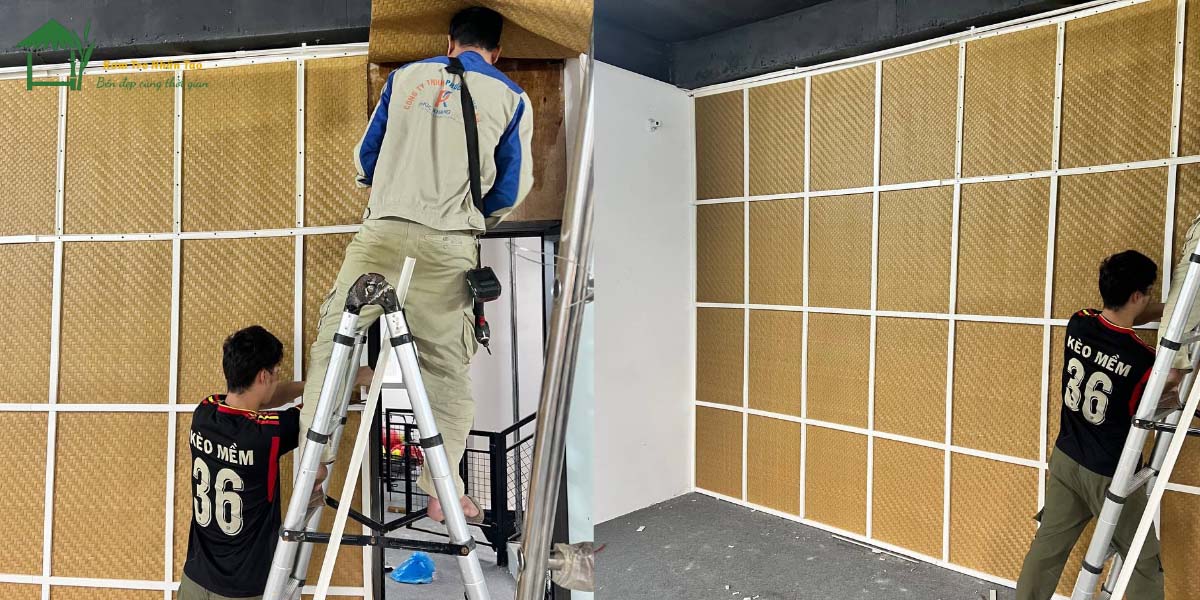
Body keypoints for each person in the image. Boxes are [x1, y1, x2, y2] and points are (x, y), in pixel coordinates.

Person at [302, 5, 534, 523]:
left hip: (382, 234)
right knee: (446, 371)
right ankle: (440, 491)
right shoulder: (512, 97)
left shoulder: (404, 78)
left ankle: (313, 465)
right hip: (450, 246)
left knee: (335, 341)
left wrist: (389, 190)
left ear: (450, 43)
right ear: (496, 52)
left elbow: (366, 158)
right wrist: (473, 216)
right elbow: (511, 189)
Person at [1015, 251, 1169, 600]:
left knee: (1047, 548)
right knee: (1143, 560)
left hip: (1067, 459)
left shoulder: (1079, 322)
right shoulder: (1143, 360)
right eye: (1148, 293)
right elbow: (1170, 385)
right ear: (1137, 295)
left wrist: (1164, 309)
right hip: (1109, 474)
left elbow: (1124, 316)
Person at [180, 326, 370, 600]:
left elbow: (265, 400)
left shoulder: (204, 412)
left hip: (194, 578)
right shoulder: (268, 434)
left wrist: (308, 385)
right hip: (242, 589)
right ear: (263, 375)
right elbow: (317, 409)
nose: (277, 378)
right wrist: (353, 378)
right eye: (275, 373)